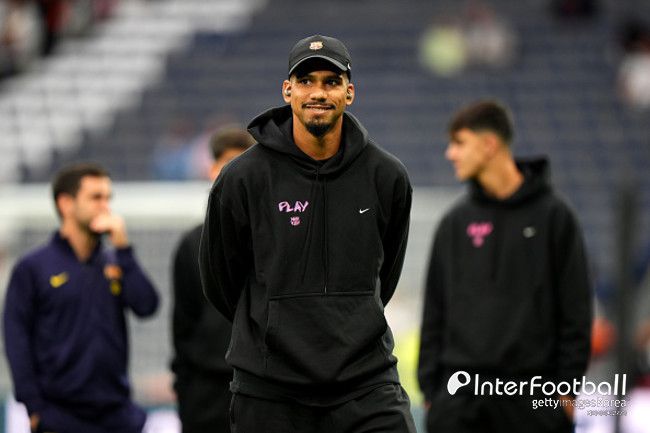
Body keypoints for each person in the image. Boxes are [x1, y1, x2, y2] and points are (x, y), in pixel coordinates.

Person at [199, 34, 416, 433]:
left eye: (331, 82)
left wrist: (348, 315)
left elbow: (385, 274)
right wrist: (274, 321)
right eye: (306, 81)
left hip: (366, 383)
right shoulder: (242, 178)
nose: (318, 92)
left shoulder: (387, 176)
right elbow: (220, 282)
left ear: (349, 93)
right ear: (288, 90)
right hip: (270, 390)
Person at [417, 100, 592, 433]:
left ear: (489, 145)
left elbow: (576, 311)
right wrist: (431, 393)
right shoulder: (454, 222)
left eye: (459, 143)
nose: (450, 154)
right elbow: (434, 311)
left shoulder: (555, 218)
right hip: (460, 400)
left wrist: (567, 392)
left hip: (532, 399)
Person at [3, 162, 159, 433]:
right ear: (66, 203)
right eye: (96, 197)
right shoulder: (33, 267)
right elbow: (16, 338)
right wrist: (34, 407)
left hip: (116, 414)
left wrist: (124, 249)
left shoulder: (116, 261)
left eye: (108, 198)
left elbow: (147, 306)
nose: (105, 206)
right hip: (60, 416)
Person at [171, 126, 254, 433]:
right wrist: (186, 397)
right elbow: (182, 329)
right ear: (211, 171)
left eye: (240, 166)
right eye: (226, 165)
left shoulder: (276, 241)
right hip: (207, 397)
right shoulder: (192, 244)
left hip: (261, 391)